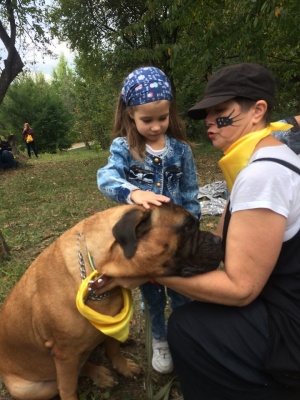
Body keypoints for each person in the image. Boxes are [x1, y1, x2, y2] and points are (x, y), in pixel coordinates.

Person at [98, 63, 300, 399]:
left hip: (287, 324)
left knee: (186, 324)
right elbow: (225, 234)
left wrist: (147, 270)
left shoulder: (262, 175)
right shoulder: (270, 158)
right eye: (206, 112)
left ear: (258, 111)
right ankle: (164, 340)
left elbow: (241, 289)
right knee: (177, 313)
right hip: (282, 296)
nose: (209, 120)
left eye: (221, 111)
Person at [97, 66, 201, 374]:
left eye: (162, 118)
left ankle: (185, 337)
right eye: (147, 120)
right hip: (145, 241)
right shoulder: (124, 149)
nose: (156, 126)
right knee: (152, 294)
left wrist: (192, 233)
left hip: (177, 239)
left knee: (182, 290)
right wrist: (133, 193)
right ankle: (160, 339)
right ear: (130, 114)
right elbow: (106, 178)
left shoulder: (181, 150)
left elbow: (191, 192)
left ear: (171, 112)